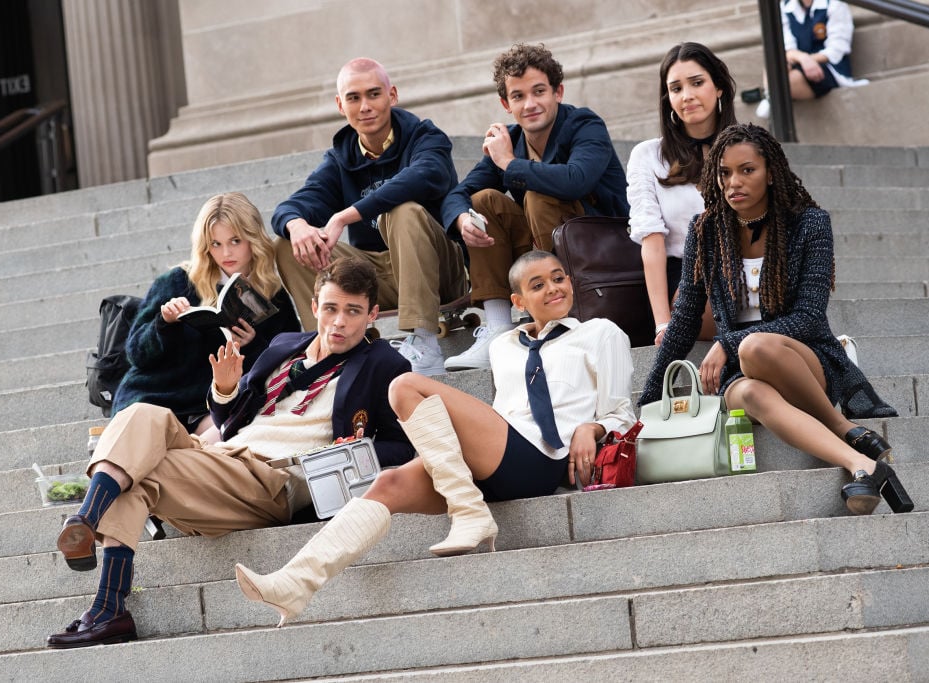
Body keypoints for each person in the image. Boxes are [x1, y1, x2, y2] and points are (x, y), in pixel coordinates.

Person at [233, 250, 636, 627]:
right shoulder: (503, 347)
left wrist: (593, 427)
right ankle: (294, 586)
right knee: (387, 483)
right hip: (498, 453)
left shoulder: (601, 333)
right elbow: (502, 412)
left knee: (405, 386)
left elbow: (622, 411)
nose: (552, 288)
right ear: (517, 301)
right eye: (537, 285)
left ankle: (470, 513)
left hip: (544, 458)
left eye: (558, 278)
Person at [48, 257, 414, 648]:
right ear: (314, 307)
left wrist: (358, 446)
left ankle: (104, 591)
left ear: (372, 313)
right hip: (223, 457)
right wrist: (224, 389)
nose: (339, 321)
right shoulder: (286, 345)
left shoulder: (385, 364)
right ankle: (96, 559)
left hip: (271, 479)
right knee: (140, 415)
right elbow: (233, 416)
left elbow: (403, 443)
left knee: (140, 471)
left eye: (353, 311)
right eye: (331, 308)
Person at [640, 123, 912, 516]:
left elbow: (808, 317)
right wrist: (647, 401)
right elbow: (683, 321)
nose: (734, 182)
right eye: (724, 173)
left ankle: (839, 424)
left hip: (802, 360)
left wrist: (728, 342)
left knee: (755, 345)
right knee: (749, 393)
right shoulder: (707, 231)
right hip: (741, 373)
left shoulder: (809, 224)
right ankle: (862, 462)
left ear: (770, 172)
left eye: (746, 170)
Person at [271, 57, 467, 376]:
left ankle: (426, 344)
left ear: (392, 95)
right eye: (353, 97)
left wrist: (344, 217)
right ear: (340, 104)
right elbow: (292, 206)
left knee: (403, 211)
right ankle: (327, 348)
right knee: (286, 244)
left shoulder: (425, 137)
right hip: (375, 274)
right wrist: (296, 225)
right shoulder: (340, 159)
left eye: (374, 94)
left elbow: (425, 175)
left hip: (437, 269)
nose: (365, 106)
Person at [440, 43, 630, 371]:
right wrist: (460, 218)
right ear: (506, 103)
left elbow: (577, 180)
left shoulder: (585, 125)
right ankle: (499, 329)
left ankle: (563, 315)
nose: (530, 104)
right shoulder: (511, 142)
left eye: (539, 91)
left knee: (538, 195)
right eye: (518, 96)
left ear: (558, 91)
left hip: (603, 253)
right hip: (544, 251)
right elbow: (460, 193)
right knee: (482, 203)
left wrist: (508, 163)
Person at [112, 192, 300, 440]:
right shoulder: (178, 281)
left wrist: (252, 346)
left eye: (235, 241)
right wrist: (164, 324)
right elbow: (136, 354)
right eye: (216, 244)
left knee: (230, 431)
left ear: (252, 239)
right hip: (156, 396)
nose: (226, 253)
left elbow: (290, 365)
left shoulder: (272, 295)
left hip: (215, 406)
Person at [627, 42, 736, 346]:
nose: (686, 95)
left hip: (748, 270)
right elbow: (651, 240)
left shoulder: (749, 148)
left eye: (697, 83)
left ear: (719, 88)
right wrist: (663, 323)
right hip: (687, 279)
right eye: (676, 88)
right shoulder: (648, 156)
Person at [757, 0, 867, 116]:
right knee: (774, 63)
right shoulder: (785, 7)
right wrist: (804, 59)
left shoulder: (834, 4)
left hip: (830, 68)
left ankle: (771, 97)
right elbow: (787, 48)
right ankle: (771, 96)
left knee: (792, 79)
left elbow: (836, 50)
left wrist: (809, 61)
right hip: (797, 62)